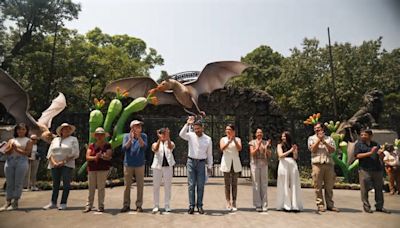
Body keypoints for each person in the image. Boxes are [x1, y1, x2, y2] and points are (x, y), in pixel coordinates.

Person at [179, 116, 213, 214]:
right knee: (191, 185)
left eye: (198, 128)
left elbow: (209, 154)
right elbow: (181, 134)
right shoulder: (190, 135)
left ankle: (200, 206)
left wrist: (210, 166)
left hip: (201, 163)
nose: (197, 130)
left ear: (202, 128)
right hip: (191, 162)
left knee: (201, 185)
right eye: (195, 129)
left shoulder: (208, 139)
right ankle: (191, 206)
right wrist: (187, 124)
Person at [43, 123, 80, 210]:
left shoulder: (73, 139)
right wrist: (54, 162)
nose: (66, 130)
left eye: (68, 129)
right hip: (54, 164)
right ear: (61, 131)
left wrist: (64, 161)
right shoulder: (55, 140)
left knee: (66, 184)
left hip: (67, 164)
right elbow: (50, 153)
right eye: (64, 129)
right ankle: (53, 202)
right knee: (55, 184)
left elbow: (75, 153)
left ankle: (63, 203)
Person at [354, 129, 390, 213]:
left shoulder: (375, 144)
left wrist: (381, 154)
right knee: (365, 189)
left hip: (377, 169)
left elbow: (381, 156)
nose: (363, 136)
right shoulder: (358, 144)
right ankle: (366, 206)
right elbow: (357, 155)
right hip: (365, 169)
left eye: (365, 135)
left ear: (370, 136)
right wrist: (370, 153)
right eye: (361, 135)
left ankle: (379, 206)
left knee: (379, 188)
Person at [0, 123, 33, 211]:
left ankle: (15, 202)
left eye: (23, 129)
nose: (21, 131)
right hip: (10, 160)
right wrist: (10, 148)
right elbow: (6, 151)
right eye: (19, 129)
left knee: (18, 182)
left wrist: (16, 149)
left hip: (22, 161)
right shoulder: (11, 140)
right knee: (9, 182)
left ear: (26, 131)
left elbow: (27, 153)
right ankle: (7, 202)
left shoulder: (28, 140)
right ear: (16, 130)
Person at [307, 123, 339, 213]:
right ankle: (320, 205)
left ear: (322, 129)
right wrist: (319, 140)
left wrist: (324, 142)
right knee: (318, 186)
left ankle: (330, 205)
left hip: (328, 164)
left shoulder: (329, 139)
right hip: (317, 164)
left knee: (329, 186)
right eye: (315, 128)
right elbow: (313, 149)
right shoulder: (311, 138)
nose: (316, 130)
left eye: (318, 128)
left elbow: (332, 150)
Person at [120, 120, 148, 213]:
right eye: (137, 126)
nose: (139, 127)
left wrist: (139, 137)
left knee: (140, 186)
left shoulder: (144, 136)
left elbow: (144, 147)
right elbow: (124, 148)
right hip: (128, 164)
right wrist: (130, 140)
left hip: (139, 164)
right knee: (127, 186)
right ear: (132, 128)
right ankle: (126, 205)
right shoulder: (126, 136)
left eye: (140, 126)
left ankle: (139, 205)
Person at [83, 127, 112, 213]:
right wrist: (95, 157)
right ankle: (89, 205)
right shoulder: (91, 145)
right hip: (92, 169)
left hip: (103, 169)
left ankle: (101, 206)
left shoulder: (107, 145)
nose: (99, 136)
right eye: (98, 135)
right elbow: (87, 157)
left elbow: (109, 156)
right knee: (91, 188)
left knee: (101, 188)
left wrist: (102, 156)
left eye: (101, 135)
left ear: (104, 136)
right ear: (95, 136)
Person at [276, 131, 303, 212]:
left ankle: (295, 205)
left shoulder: (292, 145)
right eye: (282, 136)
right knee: (284, 184)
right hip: (283, 164)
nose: (283, 138)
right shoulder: (279, 145)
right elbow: (280, 155)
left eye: (284, 136)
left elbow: (295, 157)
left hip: (292, 165)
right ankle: (286, 205)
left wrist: (295, 151)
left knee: (294, 184)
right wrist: (290, 151)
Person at [151, 128, 176, 213]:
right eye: (162, 134)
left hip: (168, 167)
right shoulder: (155, 143)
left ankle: (167, 205)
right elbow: (155, 149)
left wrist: (168, 137)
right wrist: (159, 140)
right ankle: (156, 205)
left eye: (165, 134)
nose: (163, 135)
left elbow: (170, 147)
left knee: (167, 186)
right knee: (156, 186)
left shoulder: (170, 142)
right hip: (157, 167)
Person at [219, 124, 242, 211]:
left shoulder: (238, 139)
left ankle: (234, 201)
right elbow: (222, 148)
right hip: (226, 163)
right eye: (226, 129)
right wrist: (228, 141)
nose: (227, 131)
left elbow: (239, 148)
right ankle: (228, 202)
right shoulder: (223, 139)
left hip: (235, 163)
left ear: (233, 131)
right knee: (227, 184)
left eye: (229, 129)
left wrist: (234, 140)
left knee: (234, 184)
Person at [249, 128, 271, 212]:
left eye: (261, 133)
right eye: (258, 133)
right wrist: (258, 146)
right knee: (256, 184)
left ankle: (264, 204)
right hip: (255, 163)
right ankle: (258, 204)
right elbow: (252, 153)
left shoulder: (266, 142)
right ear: (255, 134)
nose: (259, 134)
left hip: (264, 164)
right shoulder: (252, 142)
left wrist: (266, 148)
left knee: (264, 184)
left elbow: (269, 154)